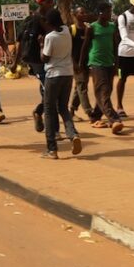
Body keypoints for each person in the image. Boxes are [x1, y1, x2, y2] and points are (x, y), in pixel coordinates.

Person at [39, 9, 82, 159]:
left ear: (49, 23)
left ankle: (52, 148)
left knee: (49, 110)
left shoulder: (50, 37)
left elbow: (45, 58)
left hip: (53, 75)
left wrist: (40, 45)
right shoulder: (67, 31)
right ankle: (73, 134)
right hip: (67, 74)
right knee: (63, 107)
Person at [12, 0, 55, 133]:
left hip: (51, 60)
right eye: (48, 1)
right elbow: (19, 42)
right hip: (37, 61)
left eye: (52, 1)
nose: (52, 4)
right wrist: (15, 62)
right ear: (41, 3)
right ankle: (52, 127)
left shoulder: (52, 18)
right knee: (50, 93)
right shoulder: (33, 20)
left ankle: (39, 113)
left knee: (48, 91)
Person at [81, 2, 124, 134]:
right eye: (107, 12)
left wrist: (117, 63)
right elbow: (85, 46)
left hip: (109, 63)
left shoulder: (111, 27)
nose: (110, 14)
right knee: (103, 92)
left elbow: (116, 45)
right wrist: (81, 64)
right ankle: (114, 119)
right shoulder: (92, 28)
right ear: (101, 13)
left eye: (110, 11)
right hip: (96, 63)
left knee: (107, 91)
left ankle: (95, 116)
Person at [69, 7, 95, 122]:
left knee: (79, 87)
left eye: (85, 12)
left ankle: (71, 111)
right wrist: (74, 63)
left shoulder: (88, 28)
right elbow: (68, 49)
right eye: (81, 13)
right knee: (82, 87)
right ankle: (89, 112)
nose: (84, 14)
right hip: (75, 63)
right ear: (75, 15)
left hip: (86, 62)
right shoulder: (72, 29)